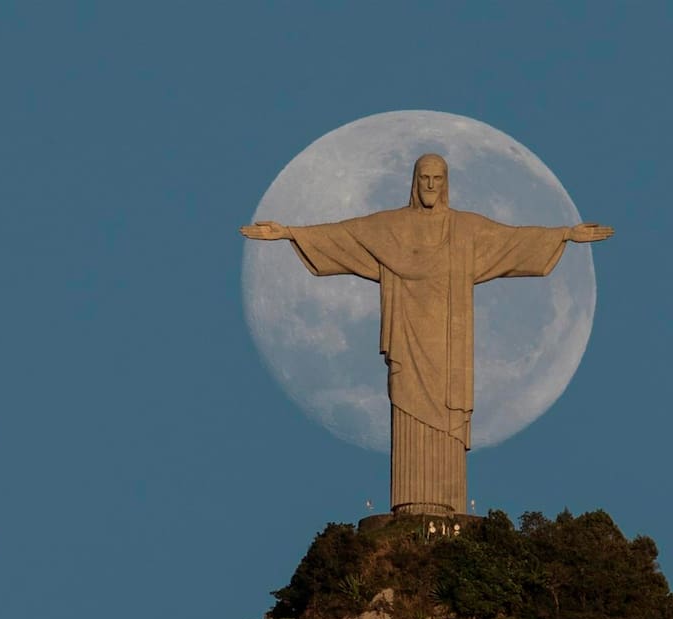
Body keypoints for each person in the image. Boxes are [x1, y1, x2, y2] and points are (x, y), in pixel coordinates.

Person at [241, 154, 612, 514]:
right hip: (407, 340)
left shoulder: (465, 230)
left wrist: (565, 235)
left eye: (437, 179)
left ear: (446, 184)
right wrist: (288, 233)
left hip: (449, 349)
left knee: (447, 417)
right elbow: (345, 235)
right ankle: (410, 504)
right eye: (424, 178)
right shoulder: (391, 228)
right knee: (407, 408)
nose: (431, 185)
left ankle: (448, 508)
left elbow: (512, 240)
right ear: (414, 183)